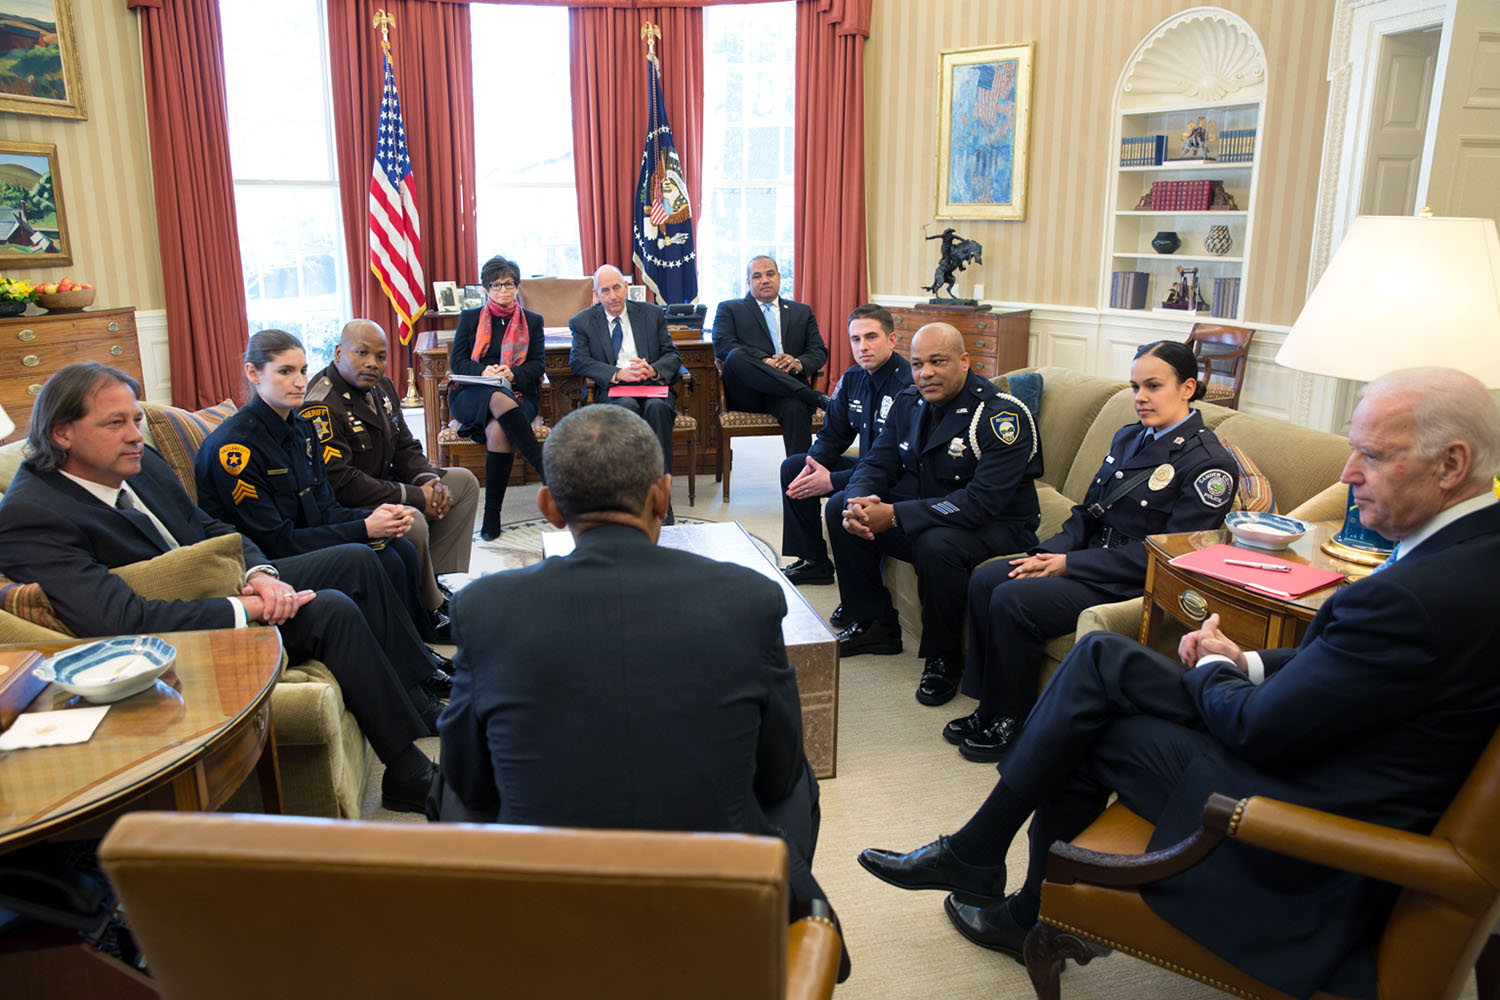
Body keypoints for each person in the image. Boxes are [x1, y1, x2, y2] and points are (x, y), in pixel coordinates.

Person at [856, 366, 1500, 1000]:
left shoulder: (1412, 598)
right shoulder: (1471, 557)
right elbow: (1349, 671)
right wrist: (1244, 662)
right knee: (1104, 660)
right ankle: (983, 859)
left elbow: (1260, 728)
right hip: (1338, 758)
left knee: (1088, 729)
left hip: (1302, 822)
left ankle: (1009, 889)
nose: (1347, 473)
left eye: (1371, 455)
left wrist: (1219, 668)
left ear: (1451, 465)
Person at [433, 404, 849, 980]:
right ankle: (766, 916)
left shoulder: (484, 605)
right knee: (799, 772)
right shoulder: (748, 596)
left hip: (542, 897)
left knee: (447, 779)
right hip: (711, 889)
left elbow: (470, 779)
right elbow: (776, 774)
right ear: (661, 495)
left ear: (550, 509)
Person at [0, 363, 445, 812]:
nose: (136, 434)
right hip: (176, 635)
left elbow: (208, 526)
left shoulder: (140, 463)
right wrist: (243, 607)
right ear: (62, 434)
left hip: (227, 586)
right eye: (116, 423)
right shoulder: (33, 514)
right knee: (330, 608)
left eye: (136, 419)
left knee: (354, 562)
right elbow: (120, 620)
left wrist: (261, 576)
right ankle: (409, 769)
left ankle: (415, 707)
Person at [949, 340, 1237, 762]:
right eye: (1135, 387)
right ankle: (988, 706)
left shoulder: (1208, 465)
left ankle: (1012, 720)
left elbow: (1169, 557)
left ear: (1188, 388)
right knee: (990, 577)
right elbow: (1088, 514)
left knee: (1014, 599)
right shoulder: (1128, 437)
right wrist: (1046, 553)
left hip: (1126, 580)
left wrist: (1069, 564)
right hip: (1088, 559)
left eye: (1153, 386)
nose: (1140, 398)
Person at [194, 330, 447, 660]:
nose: (300, 381)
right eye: (285, 372)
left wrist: (373, 518)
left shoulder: (304, 429)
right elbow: (275, 540)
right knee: (364, 556)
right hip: (264, 564)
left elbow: (325, 508)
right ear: (253, 374)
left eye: (302, 370)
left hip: (300, 540)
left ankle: (417, 650)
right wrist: (363, 529)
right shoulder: (234, 448)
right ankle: (413, 666)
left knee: (398, 548)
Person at [828, 322, 1043, 706]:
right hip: (931, 512)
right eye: (916, 364)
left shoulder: (1001, 417)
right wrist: (859, 500)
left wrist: (894, 515)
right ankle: (874, 621)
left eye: (937, 362)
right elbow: (877, 461)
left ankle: (943, 658)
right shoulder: (910, 402)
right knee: (838, 506)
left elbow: (981, 503)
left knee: (935, 545)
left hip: (998, 526)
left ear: (964, 361)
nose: (925, 373)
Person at [302, 318, 481, 625]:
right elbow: (342, 483)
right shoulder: (321, 405)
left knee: (463, 483)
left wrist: (428, 482)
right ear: (338, 353)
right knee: (412, 523)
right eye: (361, 353)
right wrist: (414, 496)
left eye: (381, 356)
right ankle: (427, 611)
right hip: (350, 503)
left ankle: (429, 580)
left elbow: (405, 445)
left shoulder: (381, 386)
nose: (372, 363)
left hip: (382, 485)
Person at [780, 303, 913, 586]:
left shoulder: (908, 385)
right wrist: (814, 467)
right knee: (794, 467)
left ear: (891, 339)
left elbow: (899, 464)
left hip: (897, 477)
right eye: (856, 339)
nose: (862, 346)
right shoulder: (853, 378)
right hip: (868, 470)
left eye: (871, 337)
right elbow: (832, 435)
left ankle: (864, 601)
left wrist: (833, 480)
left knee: (839, 500)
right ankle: (814, 561)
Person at [568, 264, 682, 521]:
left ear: (627, 288)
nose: (613, 296)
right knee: (626, 409)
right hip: (617, 389)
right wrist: (617, 373)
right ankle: (632, 499)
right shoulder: (583, 322)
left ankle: (662, 501)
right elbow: (578, 361)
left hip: (651, 385)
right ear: (597, 295)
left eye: (617, 288)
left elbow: (672, 355)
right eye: (605, 291)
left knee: (657, 409)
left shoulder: (652, 314)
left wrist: (652, 369)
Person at [448, 255, 548, 541]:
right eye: (496, 285)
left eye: (509, 284)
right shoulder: (469, 319)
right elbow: (458, 362)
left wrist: (512, 373)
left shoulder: (533, 321)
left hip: (517, 395)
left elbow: (538, 365)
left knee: (498, 430)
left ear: (517, 286)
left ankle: (492, 514)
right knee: (495, 394)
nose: (503, 290)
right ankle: (545, 469)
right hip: (471, 394)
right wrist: (485, 370)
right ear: (486, 288)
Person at [712, 255, 831, 455]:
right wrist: (765, 361)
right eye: (757, 276)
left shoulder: (801, 311)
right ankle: (814, 397)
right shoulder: (730, 308)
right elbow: (723, 345)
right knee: (735, 355)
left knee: (796, 409)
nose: (765, 280)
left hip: (786, 392)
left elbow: (818, 350)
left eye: (770, 274)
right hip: (747, 392)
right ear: (748, 282)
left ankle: (799, 481)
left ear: (779, 277)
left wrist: (797, 363)